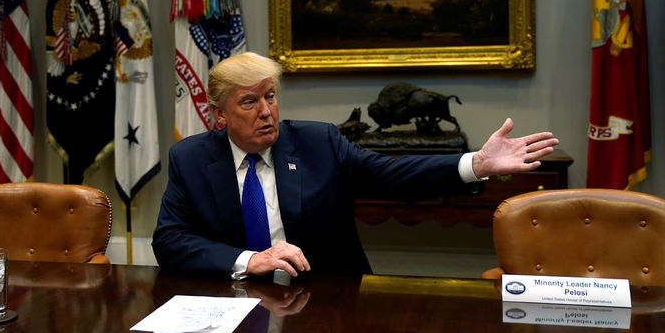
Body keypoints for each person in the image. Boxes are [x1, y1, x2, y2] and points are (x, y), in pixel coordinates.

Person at [152, 52, 558, 279]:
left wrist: (477, 164)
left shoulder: (317, 143)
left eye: (271, 97)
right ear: (218, 115)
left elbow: (392, 174)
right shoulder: (190, 158)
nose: (267, 112)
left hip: (325, 297)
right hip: (234, 302)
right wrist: (247, 260)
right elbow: (170, 241)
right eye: (249, 102)